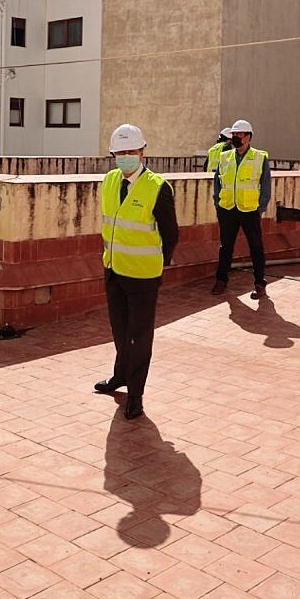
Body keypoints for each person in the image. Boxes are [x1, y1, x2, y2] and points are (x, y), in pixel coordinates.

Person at [93, 125, 179, 421]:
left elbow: (171, 234)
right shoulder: (109, 180)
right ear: (113, 155)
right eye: (120, 153)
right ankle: (120, 377)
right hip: (114, 269)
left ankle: (136, 394)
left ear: (142, 152)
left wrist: (159, 265)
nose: (126, 157)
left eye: (131, 152)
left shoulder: (157, 187)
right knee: (119, 331)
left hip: (143, 276)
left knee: (139, 336)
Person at [211, 118, 272, 299]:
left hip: (250, 210)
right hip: (228, 208)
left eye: (240, 134)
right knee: (226, 247)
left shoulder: (259, 157)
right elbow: (217, 182)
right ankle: (221, 280)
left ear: (248, 137)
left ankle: (260, 283)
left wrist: (259, 208)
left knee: (256, 247)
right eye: (234, 134)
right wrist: (218, 203)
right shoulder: (225, 157)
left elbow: (266, 185)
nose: (236, 137)